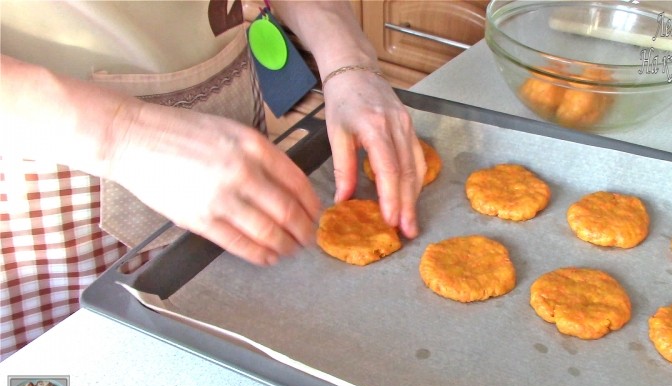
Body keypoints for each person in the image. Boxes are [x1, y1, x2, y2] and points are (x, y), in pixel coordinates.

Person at [0, 0, 426, 360]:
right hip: (49, 156)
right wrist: (121, 132)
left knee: (233, 355)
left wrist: (346, 59)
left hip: (225, 102)